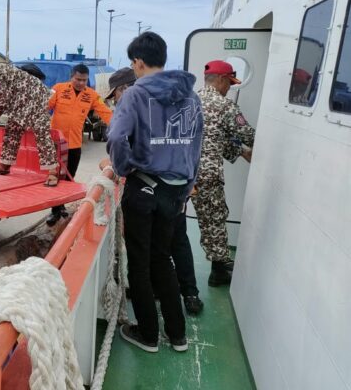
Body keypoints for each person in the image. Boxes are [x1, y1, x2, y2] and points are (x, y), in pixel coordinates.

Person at [106, 32, 203, 353]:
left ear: (138, 62)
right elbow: (196, 144)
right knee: (163, 259)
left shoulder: (135, 95)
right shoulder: (191, 97)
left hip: (144, 188)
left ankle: (148, 335)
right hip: (176, 192)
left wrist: (124, 169)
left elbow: (117, 138)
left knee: (140, 262)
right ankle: (178, 335)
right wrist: (188, 184)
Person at [192, 60, 256, 287]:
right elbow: (249, 135)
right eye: (229, 82)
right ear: (220, 79)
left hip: (185, 174)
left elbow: (212, 136)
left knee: (193, 221)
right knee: (215, 218)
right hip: (208, 174)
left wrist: (238, 151)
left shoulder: (191, 100)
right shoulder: (224, 106)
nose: (229, 88)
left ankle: (216, 265)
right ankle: (219, 270)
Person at [0, 57, 59, 185]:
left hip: (34, 97)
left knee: (41, 133)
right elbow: (1, 98)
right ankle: (5, 164)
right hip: (20, 101)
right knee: (12, 129)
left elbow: (1, 101)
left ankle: (52, 171)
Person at [46, 63, 112, 225]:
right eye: (78, 79)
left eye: (84, 80)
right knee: (55, 177)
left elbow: (105, 112)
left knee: (69, 178)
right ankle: (55, 210)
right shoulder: (58, 89)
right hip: (56, 142)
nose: (81, 83)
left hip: (75, 144)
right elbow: (45, 105)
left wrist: (119, 125)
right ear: (71, 77)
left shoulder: (91, 95)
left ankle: (61, 207)